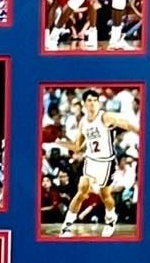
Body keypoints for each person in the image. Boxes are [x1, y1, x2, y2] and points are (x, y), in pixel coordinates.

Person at [60, 90, 140, 239]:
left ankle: (111, 218)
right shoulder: (83, 122)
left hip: (106, 162)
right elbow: (77, 146)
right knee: (82, 190)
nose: (93, 103)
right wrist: (61, 143)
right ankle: (67, 226)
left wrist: (142, 133)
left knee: (105, 195)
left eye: (95, 100)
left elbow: (127, 124)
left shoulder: (105, 116)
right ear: (84, 103)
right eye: (90, 100)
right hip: (90, 160)